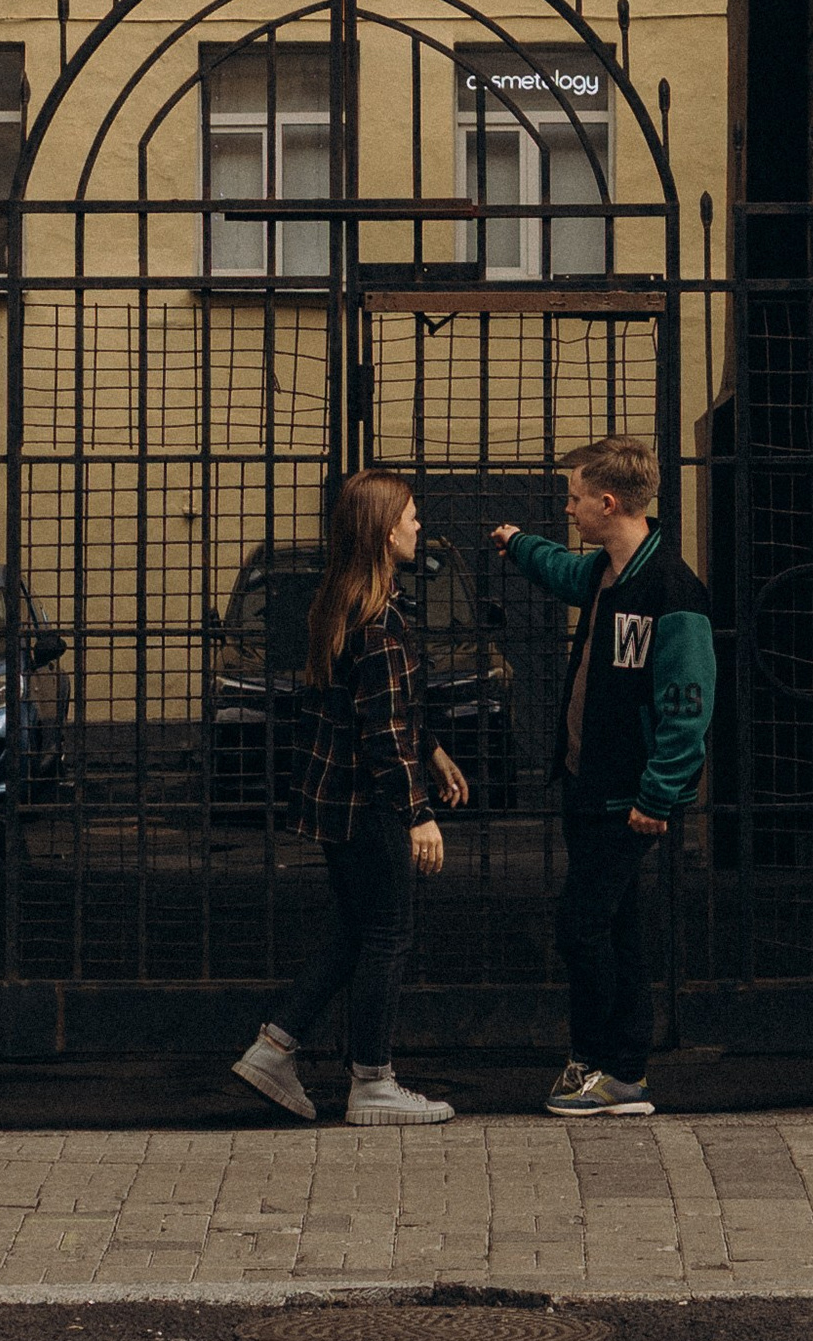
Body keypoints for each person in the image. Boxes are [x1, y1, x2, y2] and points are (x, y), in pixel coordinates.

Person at [232, 471, 469, 1127]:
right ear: (386, 529)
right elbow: (384, 730)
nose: (421, 527)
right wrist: (418, 814)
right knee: (389, 933)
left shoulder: (342, 600)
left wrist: (435, 749)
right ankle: (372, 1083)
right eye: (413, 517)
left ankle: (274, 1048)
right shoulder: (381, 616)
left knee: (354, 930)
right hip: (370, 805)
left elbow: (381, 710)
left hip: (332, 800)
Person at [493, 436, 715, 1118]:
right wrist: (516, 543)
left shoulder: (671, 591)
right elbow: (560, 569)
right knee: (615, 926)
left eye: (575, 498)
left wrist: (658, 796)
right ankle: (624, 1071)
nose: (569, 508)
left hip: (628, 799)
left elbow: (687, 707)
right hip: (590, 786)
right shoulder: (606, 576)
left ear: (608, 502)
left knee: (582, 925)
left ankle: (598, 1064)